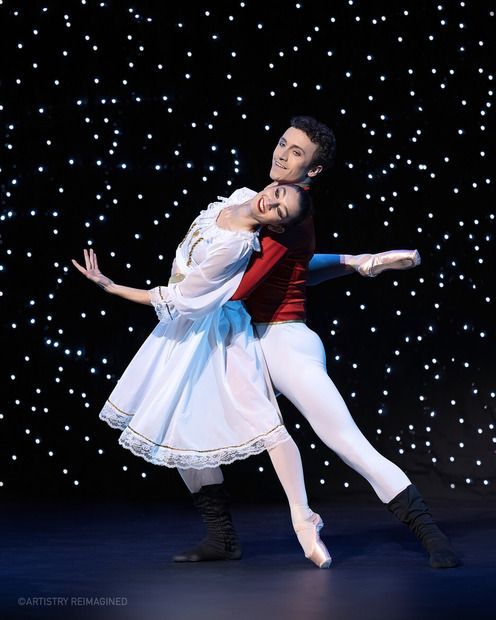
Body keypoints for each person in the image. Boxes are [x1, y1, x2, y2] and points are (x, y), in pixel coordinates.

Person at [175, 116, 460, 569]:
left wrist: (174, 288)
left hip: (281, 340)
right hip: (240, 337)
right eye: (282, 143)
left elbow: (238, 287)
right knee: (182, 422)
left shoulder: (288, 216)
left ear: (314, 169)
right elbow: (298, 268)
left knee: (344, 438)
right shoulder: (272, 199)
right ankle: (221, 536)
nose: (282, 155)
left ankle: (430, 533)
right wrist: (353, 261)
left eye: (296, 153)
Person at [72, 183, 332, 568]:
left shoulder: (235, 247)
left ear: (277, 226)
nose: (272, 201)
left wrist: (110, 287)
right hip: (185, 331)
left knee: (264, 422)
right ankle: (221, 536)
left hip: (216, 332)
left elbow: (178, 299)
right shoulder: (237, 197)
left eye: (280, 211)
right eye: (277, 193)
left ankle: (303, 516)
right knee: (178, 426)